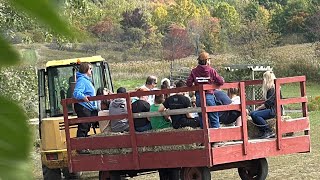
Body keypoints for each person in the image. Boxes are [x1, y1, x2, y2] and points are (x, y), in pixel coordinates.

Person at [186, 51, 224, 128]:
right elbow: (220, 81)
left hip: (199, 97)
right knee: (214, 117)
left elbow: (189, 83)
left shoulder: (194, 71)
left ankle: (204, 137)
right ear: (206, 61)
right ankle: (216, 137)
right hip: (209, 96)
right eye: (209, 60)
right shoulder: (211, 70)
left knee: (202, 118)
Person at [250, 71, 280, 139]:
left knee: (255, 114)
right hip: (271, 109)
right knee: (252, 114)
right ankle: (263, 131)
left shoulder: (272, 89)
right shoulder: (272, 88)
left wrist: (258, 108)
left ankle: (268, 130)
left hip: (274, 110)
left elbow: (268, 103)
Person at [73, 62, 97, 138]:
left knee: (86, 126)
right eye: (90, 68)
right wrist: (83, 97)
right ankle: (81, 145)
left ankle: (83, 144)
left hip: (88, 107)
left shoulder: (86, 80)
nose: (91, 70)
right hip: (83, 107)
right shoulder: (82, 80)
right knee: (83, 126)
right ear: (85, 69)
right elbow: (76, 92)